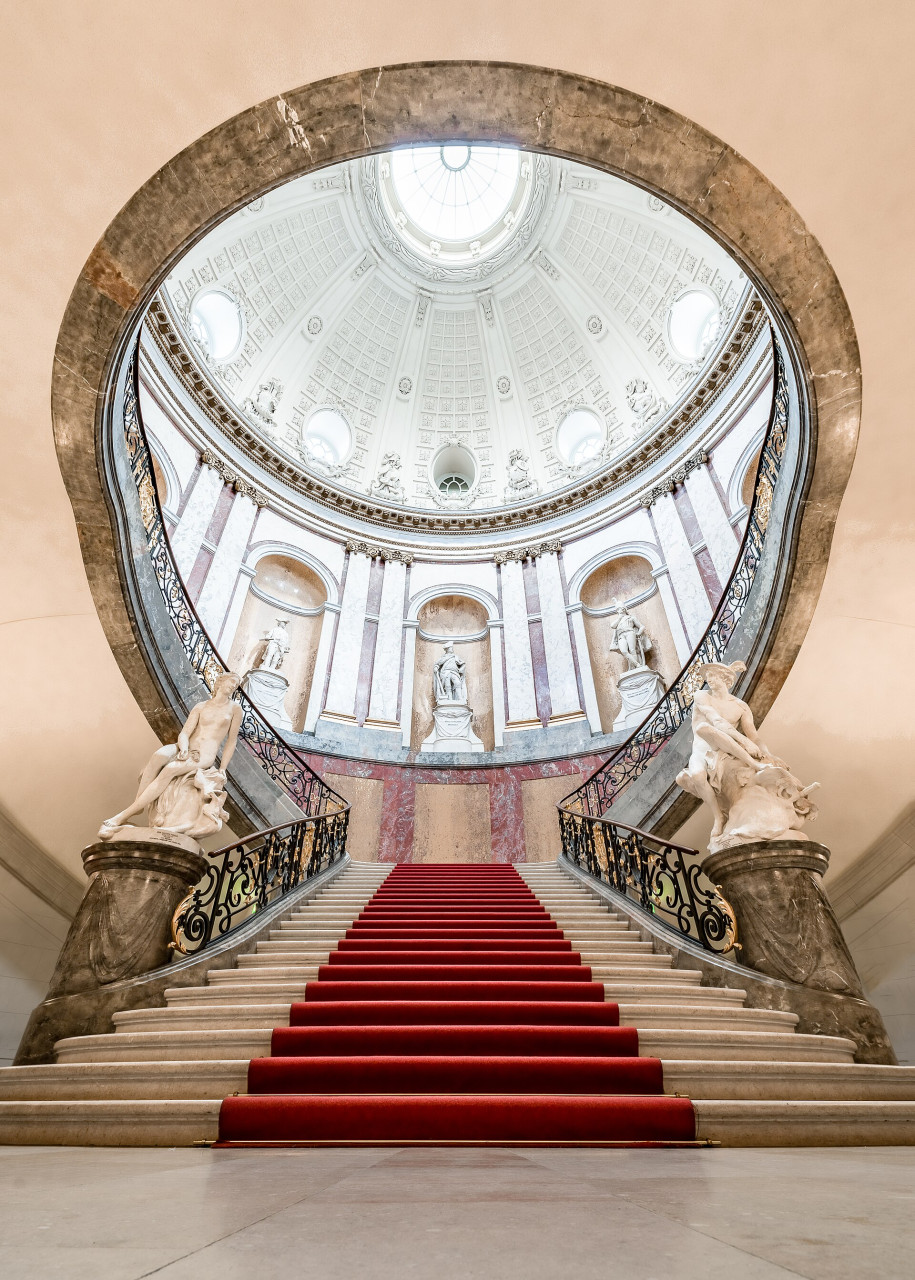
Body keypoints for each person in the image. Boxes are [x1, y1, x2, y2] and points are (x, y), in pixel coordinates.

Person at [99, 672, 243, 838]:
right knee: (159, 755)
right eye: (232, 681)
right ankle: (139, 804)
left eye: (236, 684)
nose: (234, 686)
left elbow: (232, 742)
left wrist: (223, 768)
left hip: (203, 754)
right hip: (185, 747)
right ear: (221, 681)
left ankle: (124, 815)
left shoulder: (234, 709)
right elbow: (185, 733)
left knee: (170, 769)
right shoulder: (201, 706)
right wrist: (183, 748)